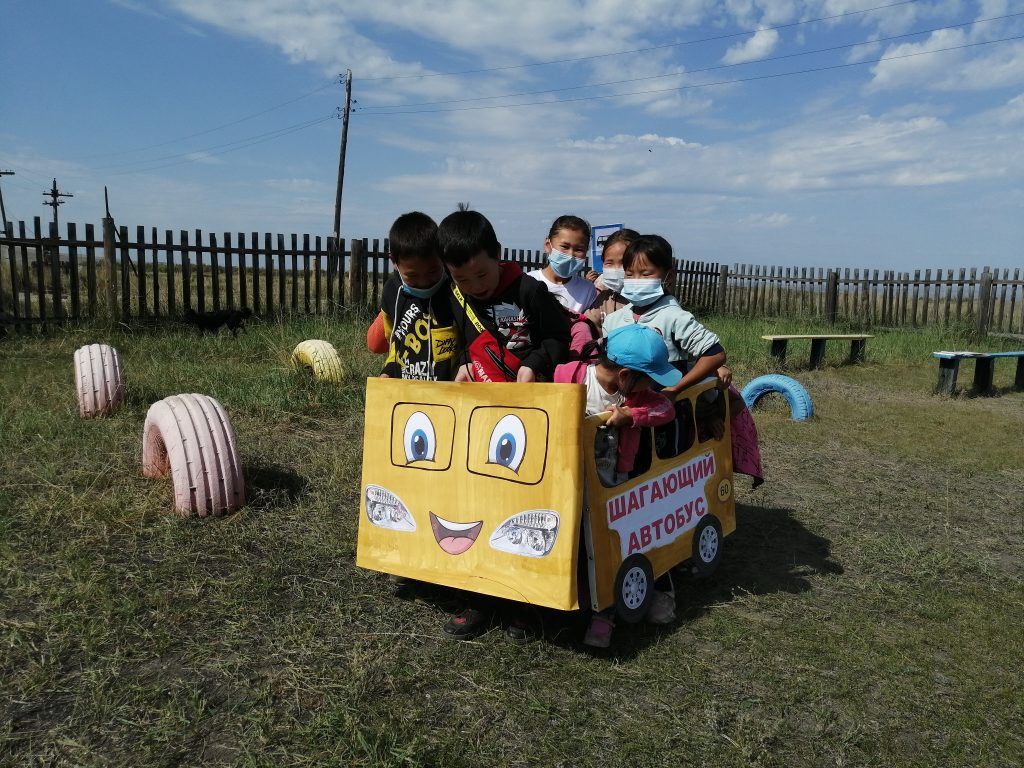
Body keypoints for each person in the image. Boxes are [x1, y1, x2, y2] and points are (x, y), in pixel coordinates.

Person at [553, 324, 681, 648]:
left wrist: (633, 416)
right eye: (650, 378)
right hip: (566, 484)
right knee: (574, 545)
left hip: (613, 488)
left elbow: (666, 408)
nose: (653, 385)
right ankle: (567, 599)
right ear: (625, 375)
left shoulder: (636, 396)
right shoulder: (570, 376)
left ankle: (605, 614)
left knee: (610, 547)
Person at [438, 209, 570, 383]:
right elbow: (467, 341)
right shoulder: (456, 297)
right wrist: (466, 361)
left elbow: (560, 336)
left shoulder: (529, 290)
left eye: (482, 275)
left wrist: (534, 363)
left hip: (531, 389)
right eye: (461, 279)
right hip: (484, 391)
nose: (475, 287)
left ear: (497, 253)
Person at [603, 234, 726, 397]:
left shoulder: (675, 318)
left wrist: (675, 389)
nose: (636, 280)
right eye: (629, 274)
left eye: (646, 274)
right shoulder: (613, 320)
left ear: (669, 276)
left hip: (665, 407)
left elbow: (715, 354)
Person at [376, 212, 458, 381]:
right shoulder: (391, 292)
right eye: (412, 276)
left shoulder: (455, 291)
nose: (423, 282)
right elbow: (394, 342)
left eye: (432, 272)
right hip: (406, 391)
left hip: (449, 392)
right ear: (394, 262)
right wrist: (389, 370)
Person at [526, 215, 598, 313]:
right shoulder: (529, 281)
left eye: (579, 249)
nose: (570, 255)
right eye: (565, 246)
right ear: (548, 245)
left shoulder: (588, 290)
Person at [585, 228, 637, 331]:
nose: (616, 269)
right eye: (609, 263)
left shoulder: (650, 301)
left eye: (624, 262)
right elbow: (587, 322)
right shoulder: (603, 300)